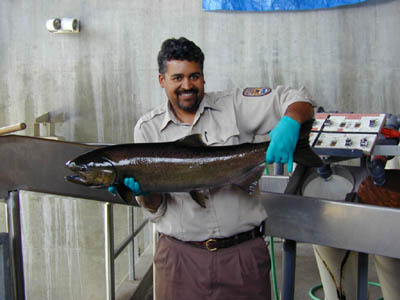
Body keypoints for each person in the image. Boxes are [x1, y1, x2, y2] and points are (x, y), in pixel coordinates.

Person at [112, 37, 315, 300]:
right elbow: (157, 207)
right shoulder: (147, 129)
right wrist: (145, 192)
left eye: (194, 76)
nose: (187, 85)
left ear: (204, 77)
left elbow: (299, 98)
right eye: (177, 78)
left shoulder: (233, 105)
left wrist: (290, 122)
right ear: (162, 80)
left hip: (242, 257)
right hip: (179, 260)